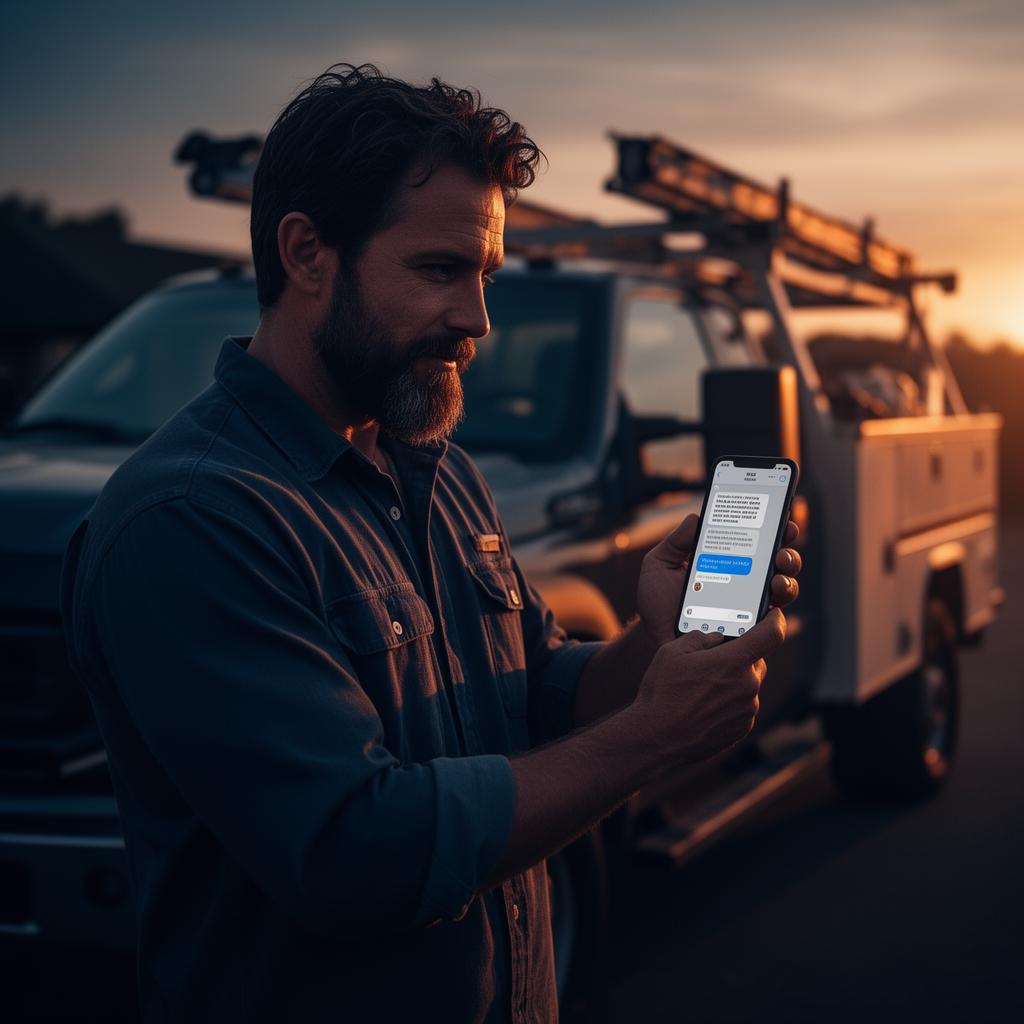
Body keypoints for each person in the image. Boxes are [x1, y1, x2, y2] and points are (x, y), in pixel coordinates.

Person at [59, 63, 802, 1023]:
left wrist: (649, 651)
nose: (478, 320)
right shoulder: (192, 518)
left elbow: (527, 692)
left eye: (484, 275)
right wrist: (654, 736)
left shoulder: (437, 467)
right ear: (306, 253)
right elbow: (359, 851)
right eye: (440, 270)